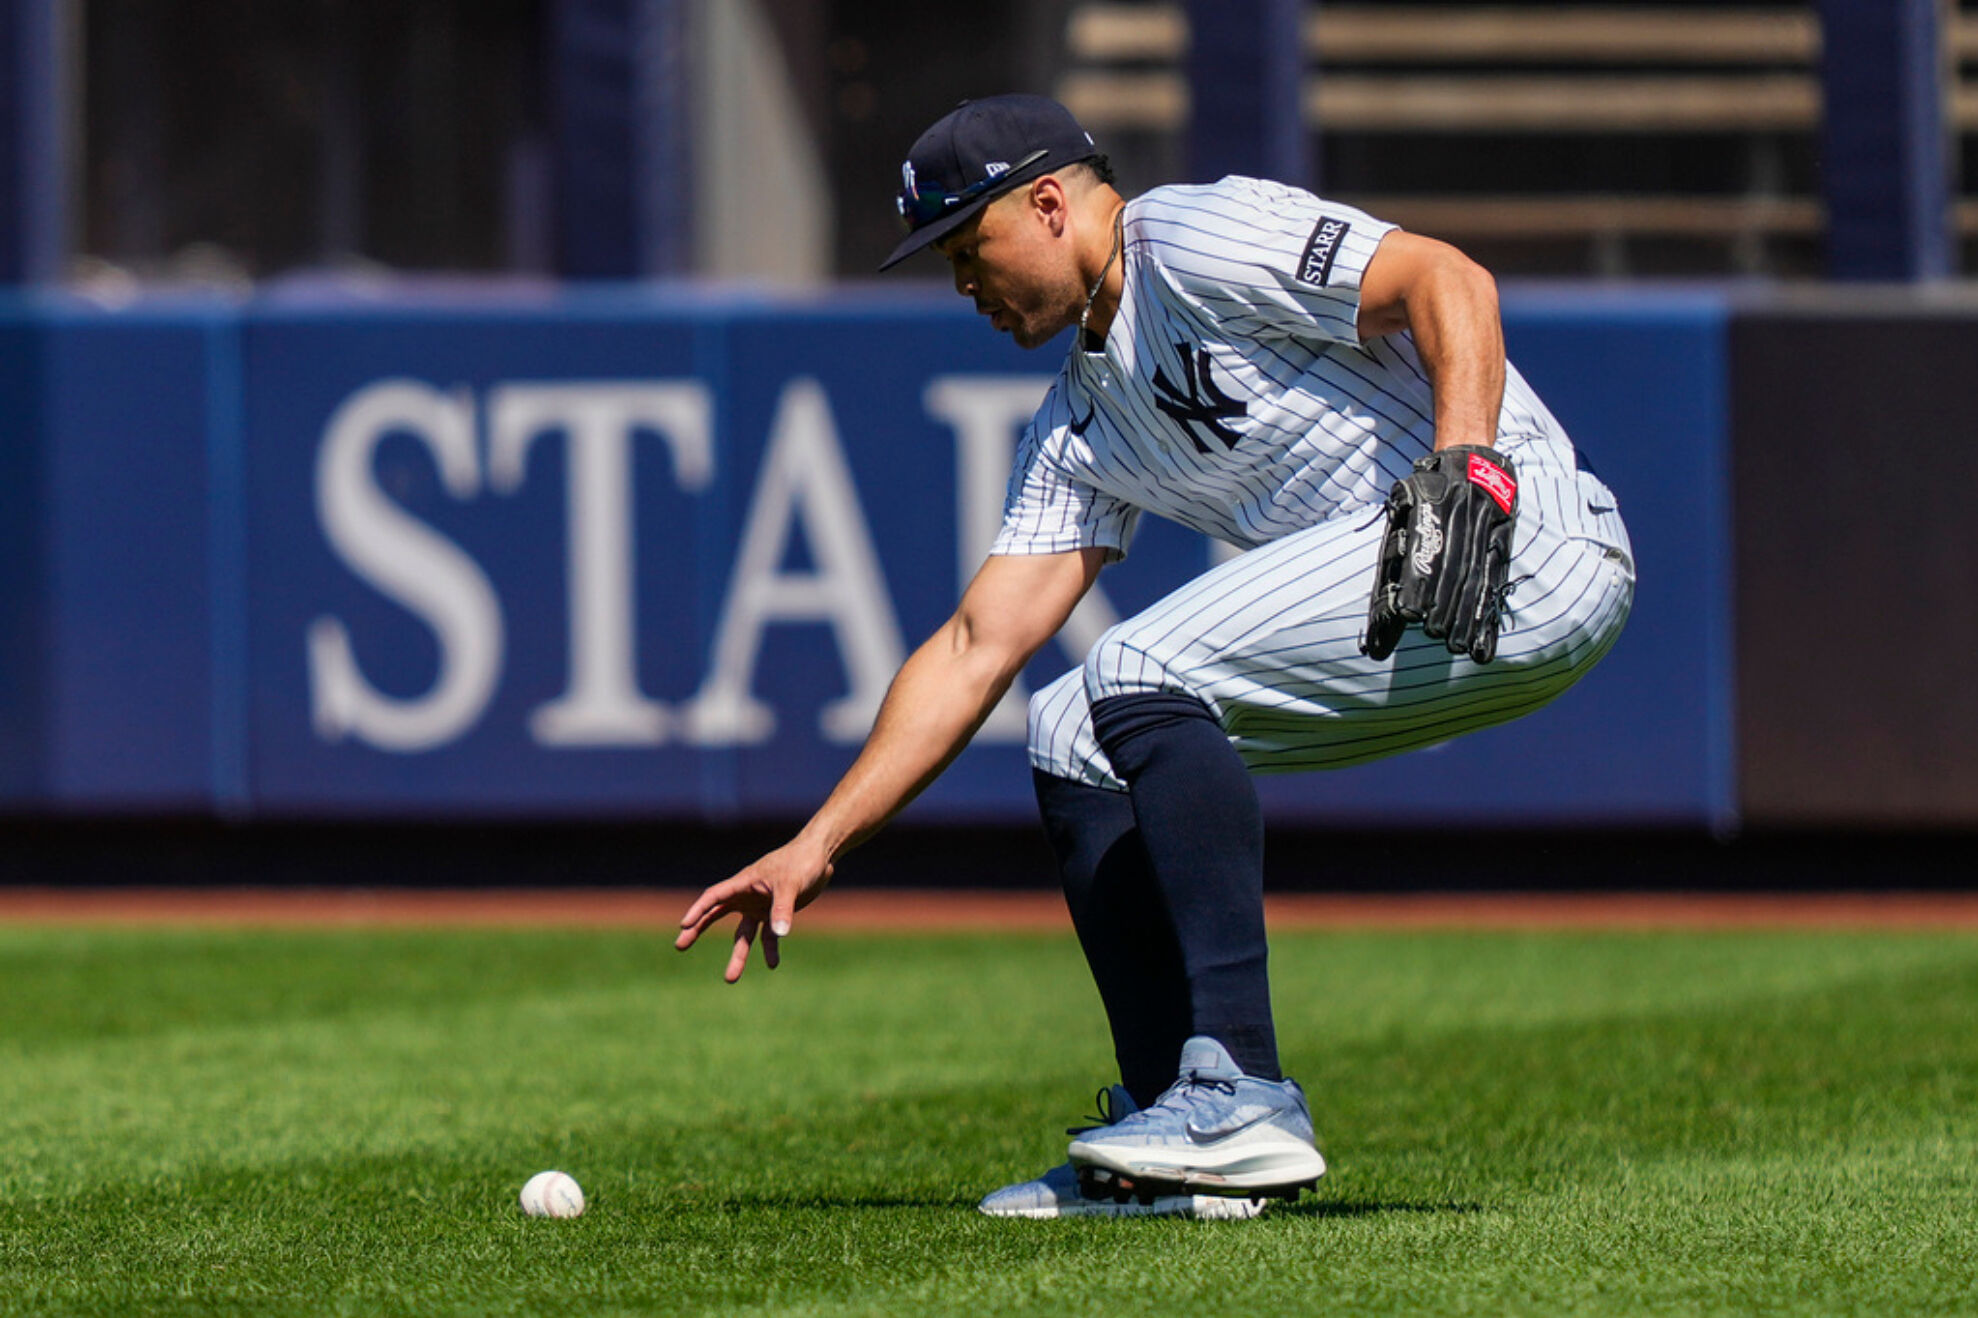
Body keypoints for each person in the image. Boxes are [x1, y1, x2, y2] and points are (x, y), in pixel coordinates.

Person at [676, 94, 1634, 1219]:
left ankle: (1242, 1093)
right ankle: (1163, 1135)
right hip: (1408, 599)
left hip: (1525, 536)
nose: (959, 283)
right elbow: (977, 644)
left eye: (963, 245)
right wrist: (818, 839)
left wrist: (1465, 466)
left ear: (1044, 203)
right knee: (1068, 727)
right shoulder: (1082, 417)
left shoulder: (1188, 236)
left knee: (1138, 666)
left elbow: (1448, 280)